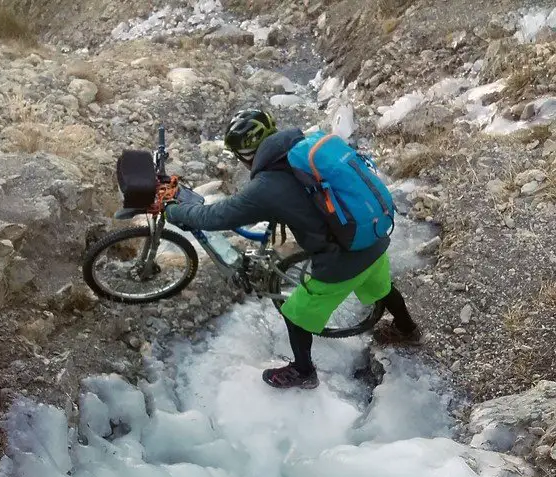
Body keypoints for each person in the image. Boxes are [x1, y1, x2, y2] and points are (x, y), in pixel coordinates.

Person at [165, 109, 422, 390]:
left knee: (294, 314)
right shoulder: (306, 146)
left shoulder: (266, 186)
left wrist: (177, 212)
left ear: (244, 155)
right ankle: (407, 329)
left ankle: (303, 372)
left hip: (343, 260)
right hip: (372, 236)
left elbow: (215, 217)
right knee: (382, 287)